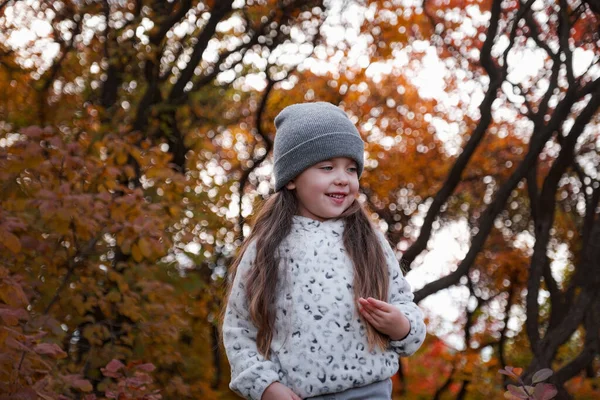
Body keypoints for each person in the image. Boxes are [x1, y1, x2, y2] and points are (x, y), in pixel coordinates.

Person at [222, 102, 426, 400]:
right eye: (327, 167)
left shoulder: (368, 239)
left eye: (351, 168)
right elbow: (239, 329)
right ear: (291, 178)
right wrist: (266, 387)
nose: (343, 178)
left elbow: (404, 303)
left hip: (372, 392)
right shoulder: (267, 247)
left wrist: (402, 325)